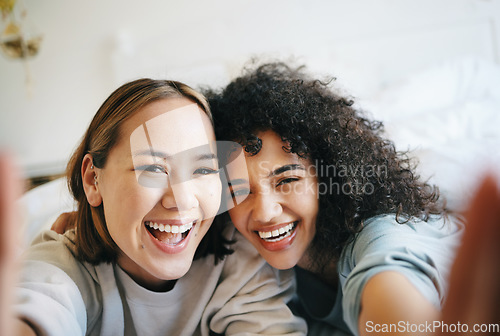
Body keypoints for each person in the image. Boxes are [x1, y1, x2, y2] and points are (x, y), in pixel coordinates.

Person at [206, 62, 499, 335]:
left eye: (287, 180)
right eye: (239, 190)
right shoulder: (250, 264)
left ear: (328, 177)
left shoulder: (383, 236)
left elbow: (392, 287)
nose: (265, 212)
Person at [0, 78, 307, 336]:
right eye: (152, 169)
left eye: (202, 170)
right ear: (94, 180)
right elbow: (40, 304)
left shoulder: (238, 261)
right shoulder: (64, 265)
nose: (182, 199)